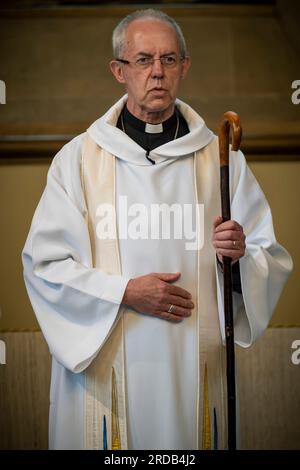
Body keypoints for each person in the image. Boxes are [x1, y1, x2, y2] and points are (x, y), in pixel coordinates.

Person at [22, 9, 292, 450]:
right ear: (119, 71)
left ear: (185, 67)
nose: (157, 72)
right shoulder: (78, 160)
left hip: (194, 364)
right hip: (105, 367)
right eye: (143, 60)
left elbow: (267, 255)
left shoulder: (221, 160)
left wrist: (238, 256)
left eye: (169, 60)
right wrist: (125, 292)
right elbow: (43, 266)